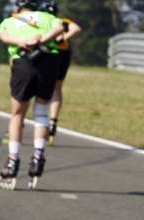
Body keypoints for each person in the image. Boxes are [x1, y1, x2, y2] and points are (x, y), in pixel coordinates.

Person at [0, 0, 64, 190]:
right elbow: (60, 28)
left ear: (18, 7)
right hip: (48, 60)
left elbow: (2, 36)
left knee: (18, 114)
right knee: (42, 110)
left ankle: (12, 160)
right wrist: (41, 39)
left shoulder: (10, 20)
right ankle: (38, 155)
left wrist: (21, 42)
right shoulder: (48, 17)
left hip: (24, 60)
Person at [39, 0, 80, 146]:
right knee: (57, 88)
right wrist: (63, 38)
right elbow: (76, 29)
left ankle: (39, 121)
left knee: (39, 88)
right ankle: (52, 123)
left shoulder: (42, 21)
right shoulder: (62, 21)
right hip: (63, 53)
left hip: (48, 53)